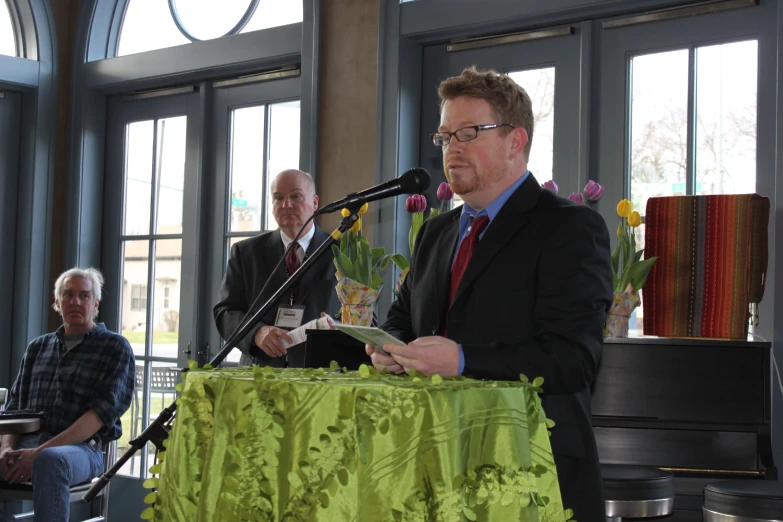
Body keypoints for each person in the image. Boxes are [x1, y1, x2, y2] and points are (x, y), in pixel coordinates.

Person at [369, 67, 613, 519]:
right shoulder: (436, 233)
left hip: (531, 468)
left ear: (515, 141)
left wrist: (462, 360)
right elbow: (403, 314)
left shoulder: (569, 228)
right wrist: (391, 346)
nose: (452, 148)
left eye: (468, 132)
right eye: (444, 137)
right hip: (433, 462)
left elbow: (573, 358)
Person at [0, 267, 135, 522]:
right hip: (25, 444)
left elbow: (98, 416)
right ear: (57, 302)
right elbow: (14, 410)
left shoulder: (114, 348)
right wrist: (4, 449)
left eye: (84, 296)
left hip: (81, 450)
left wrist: (38, 453)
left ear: (96, 303)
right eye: (68, 294)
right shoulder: (37, 347)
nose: (75, 301)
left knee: (50, 461)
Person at [214, 169, 340, 366]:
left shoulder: (343, 253)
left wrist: (338, 329)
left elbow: (364, 314)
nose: (286, 205)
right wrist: (256, 332)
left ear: (315, 203)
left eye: (296, 196)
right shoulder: (246, 253)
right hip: (260, 374)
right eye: (278, 198)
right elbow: (225, 312)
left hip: (322, 374)